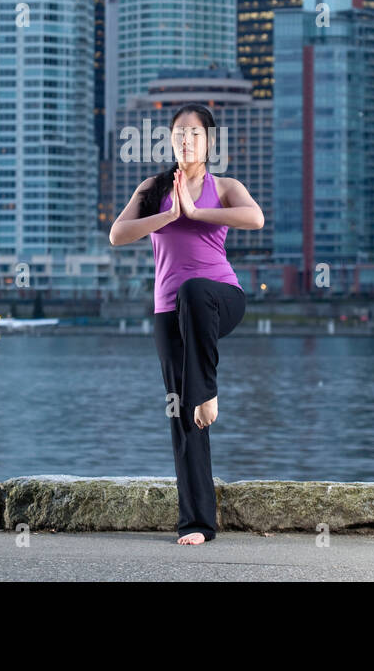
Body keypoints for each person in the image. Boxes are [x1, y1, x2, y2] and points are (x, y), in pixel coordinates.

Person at [109, 103, 264, 545]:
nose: (186, 140)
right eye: (179, 133)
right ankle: (197, 523)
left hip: (220, 299)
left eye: (195, 133)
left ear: (209, 142)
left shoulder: (226, 186)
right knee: (182, 416)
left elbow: (256, 219)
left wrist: (196, 212)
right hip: (168, 312)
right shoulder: (154, 188)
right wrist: (170, 214)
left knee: (194, 290)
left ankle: (207, 390)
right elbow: (118, 235)